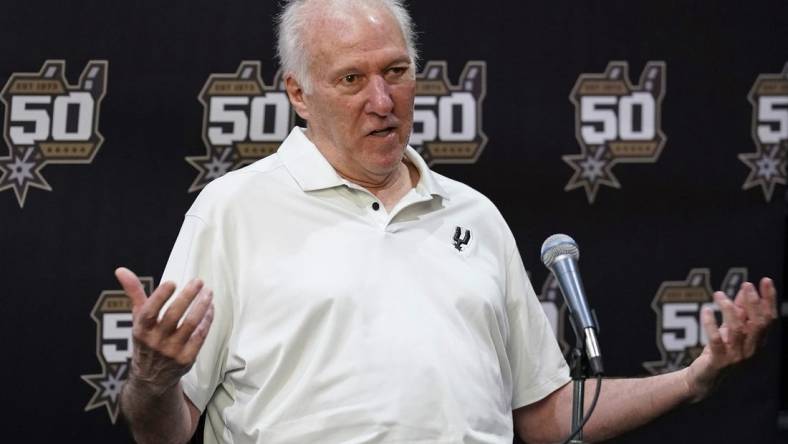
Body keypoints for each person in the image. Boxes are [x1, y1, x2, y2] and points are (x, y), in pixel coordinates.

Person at [115, 0, 779, 443]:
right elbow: (165, 431)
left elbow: (545, 413)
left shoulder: (474, 215)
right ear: (297, 92)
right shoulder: (234, 211)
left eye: (396, 72)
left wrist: (693, 378)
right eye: (352, 80)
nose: (383, 101)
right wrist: (153, 376)